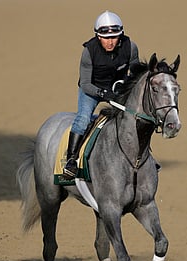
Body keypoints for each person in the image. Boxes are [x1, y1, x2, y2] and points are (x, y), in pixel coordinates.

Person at [63, 10, 140, 179]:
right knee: (83, 119)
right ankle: (70, 161)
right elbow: (85, 84)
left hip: (117, 89)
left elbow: (135, 75)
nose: (110, 42)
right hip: (92, 90)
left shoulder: (131, 47)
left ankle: (143, 159)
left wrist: (124, 89)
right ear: (98, 36)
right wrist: (104, 94)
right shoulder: (89, 51)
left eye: (115, 37)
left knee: (137, 119)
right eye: (106, 38)